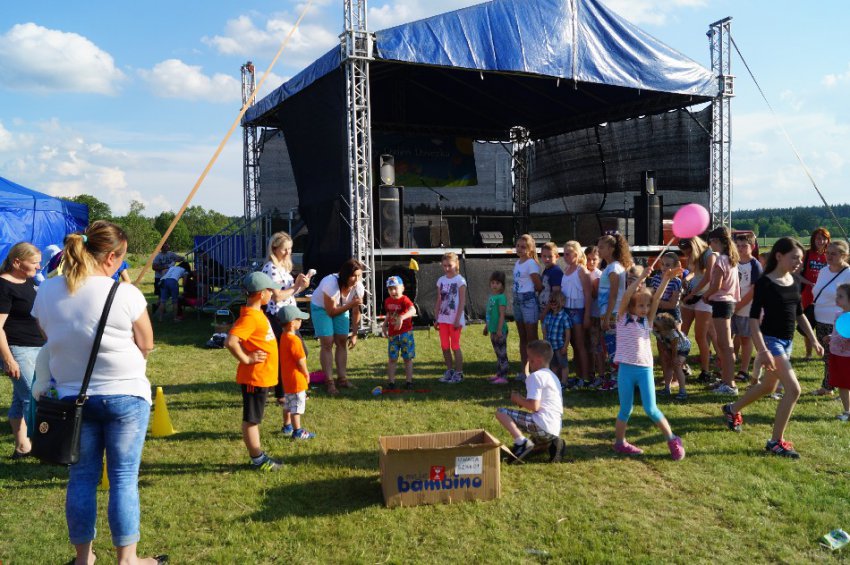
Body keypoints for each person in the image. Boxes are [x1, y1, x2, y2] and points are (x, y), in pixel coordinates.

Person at [32, 221, 162, 565]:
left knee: (81, 478)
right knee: (123, 479)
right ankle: (127, 559)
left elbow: (47, 335)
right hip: (126, 394)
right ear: (111, 258)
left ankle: (83, 558)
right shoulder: (125, 293)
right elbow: (147, 343)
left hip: (72, 397)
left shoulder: (47, 290)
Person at [721, 238, 823, 459]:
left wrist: (814, 339)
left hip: (787, 342)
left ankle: (732, 409)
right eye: (794, 258)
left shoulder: (794, 281)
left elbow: (799, 314)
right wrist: (763, 350)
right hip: (771, 341)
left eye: (801, 259)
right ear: (779, 256)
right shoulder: (765, 283)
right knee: (794, 390)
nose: (799, 262)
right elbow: (753, 319)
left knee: (768, 387)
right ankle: (776, 442)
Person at [611, 265, 685, 460]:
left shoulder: (647, 322)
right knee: (625, 409)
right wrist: (641, 277)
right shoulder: (622, 318)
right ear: (631, 307)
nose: (645, 309)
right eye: (641, 306)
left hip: (644, 370)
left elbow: (657, 299)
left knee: (651, 409)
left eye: (647, 306)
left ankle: (672, 439)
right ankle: (620, 443)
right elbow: (626, 295)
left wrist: (666, 279)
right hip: (626, 370)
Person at [225, 271, 285, 470]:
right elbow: (231, 342)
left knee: (255, 418)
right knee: (251, 420)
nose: (272, 293)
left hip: (262, 377)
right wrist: (247, 358)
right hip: (254, 378)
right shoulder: (250, 317)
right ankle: (258, 459)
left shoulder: (257, 313)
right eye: (270, 290)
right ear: (261, 294)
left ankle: (258, 456)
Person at [0, 242, 44, 459]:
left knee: (21, 398)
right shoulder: (3, 286)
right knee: (32, 397)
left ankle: (22, 446)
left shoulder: (29, 281)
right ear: (17, 262)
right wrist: (9, 359)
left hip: (37, 347)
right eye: (34, 262)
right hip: (18, 350)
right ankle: (43, 446)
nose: (39, 267)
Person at [262, 232, 312, 408]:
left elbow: (288, 293)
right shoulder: (271, 268)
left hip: (288, 315)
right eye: (285, 249)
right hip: (278, 317)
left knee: (298, 351)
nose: (288, 253)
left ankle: (288, 389)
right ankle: (283, 393)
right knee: (289, 353)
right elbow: (277, 296)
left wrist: (300, 286)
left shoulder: (282, 267)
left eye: (290, 249)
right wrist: (296, 286)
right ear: (274, 248)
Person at [495, 340, 565, 463]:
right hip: (555, 427)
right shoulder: (553, 376)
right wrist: (523, 401)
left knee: (501, 412)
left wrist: (518, 398)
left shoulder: (535, 376)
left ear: (538, 360)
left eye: (530, 358)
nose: (527, 360)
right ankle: (552, 442)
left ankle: (521, 442)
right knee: (535, 444)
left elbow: (534, 406)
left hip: (542, 424)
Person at [310, 259, 364, 394]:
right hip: (321, 308)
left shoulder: (358, 287)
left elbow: (356, 312)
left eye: (359, 275)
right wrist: (350, 305)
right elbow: (331, 312)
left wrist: (355, 334)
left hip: (342, 306)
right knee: (327, 343)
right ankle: (329, 382)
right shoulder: (330, 283)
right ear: (345, 274)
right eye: (354, 276)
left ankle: (342, 379)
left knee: (342, 340)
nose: (357, 279)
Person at [703, 227, 740, 395]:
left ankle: (730, 384)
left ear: (717, 241)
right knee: (725, 345)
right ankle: (725, 379)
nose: (710, 245)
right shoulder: (730, 259)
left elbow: (716, 285)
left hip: (722, 303)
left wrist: (706, 295)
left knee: (725, 346)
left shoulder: (720, 260)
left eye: (711, 241)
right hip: (727, 302)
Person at [811, 240, 850, 396]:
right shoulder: (823, 271)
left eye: (833, 254)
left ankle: (830, 387)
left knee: (837, 357)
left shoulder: (848, 274)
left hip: (839, 322)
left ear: (844, 255)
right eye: (827, 253)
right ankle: (830, 386)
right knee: (828, 357)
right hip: (820, 319)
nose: (829, 256)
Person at [597, 233, 633, 391]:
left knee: (613, 348)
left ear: (611, 249)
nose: (598, 250)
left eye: (602, 247)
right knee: (611, 346)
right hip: (608, 312)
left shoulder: (614, 269)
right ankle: (615, 378)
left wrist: (607, 318)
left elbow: (613, 295)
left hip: (612, 313)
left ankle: (617, 380)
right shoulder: (611, 267)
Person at [679, 236, 717, 384]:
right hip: (690, 296)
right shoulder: (693, 255)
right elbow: (693, 271)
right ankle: (681, 366)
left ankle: (705, 371)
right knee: (681, 333)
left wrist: (693, 293)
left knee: (700, 336)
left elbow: (708, 277)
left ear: (694, 247)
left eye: (688, 252)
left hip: (704, 297)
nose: (686, 255)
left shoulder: (709, 254)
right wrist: (686, 279)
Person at [276, 304, 315, 440]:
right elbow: (300, 360)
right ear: (292, 323)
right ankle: (297, 431)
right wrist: (306, 373)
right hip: (297, 380)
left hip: (287, 379)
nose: (301, 321)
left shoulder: (283, 336)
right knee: (296, 407)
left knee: (287, 404)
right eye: (299, 319)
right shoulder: (295, 340)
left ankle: (287, 426)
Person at [560, 241, 592, 386]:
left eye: (568, 254)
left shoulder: (582, 270)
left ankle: (584, 377)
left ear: (576, 254)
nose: (565, 256)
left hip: (578, 311)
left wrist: (587, 315)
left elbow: (588, 294)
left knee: (580, 344)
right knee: (573, 343)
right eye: (564, 254)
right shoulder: (566, 269)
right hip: (566, 310)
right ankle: (579, 375)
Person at [732, 233, 763, 383]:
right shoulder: (733, 262)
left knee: (746, 338)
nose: (740, 248)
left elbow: (754, 290)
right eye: (738, 246)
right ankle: (728, 367)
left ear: (753, 246)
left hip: (747, 308)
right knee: (731, 337)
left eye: (744, 246)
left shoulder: (754, 265)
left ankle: (744, 370)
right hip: (732, 305)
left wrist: (739, 305)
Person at [512, 234, 542, 375]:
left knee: (532, 338)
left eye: (523, 247)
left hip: (528, 301)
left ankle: (536, 370)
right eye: (518, 246)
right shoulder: (518, 262)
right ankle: (525, 370)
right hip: (517, 300)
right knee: (522, 337)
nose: (519, 249)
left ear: (530, 249)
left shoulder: (531, 264)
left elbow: (538, 285)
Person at [435, 252, 467, 384]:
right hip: (443, 319)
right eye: (444, 266)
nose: (447, 268)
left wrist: (457, 319)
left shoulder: (460, 281)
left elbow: (462, 302)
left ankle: (459, 373)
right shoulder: (440, 281)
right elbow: (439, 300)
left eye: (450, 265)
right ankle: (449, 371)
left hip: (455, 320)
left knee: (455, 345)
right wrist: (436, 318)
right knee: (444, 346)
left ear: (456, 264)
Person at [799, 228, 830, 359]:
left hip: (825, 296)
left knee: (824, 325)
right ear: (813, 240)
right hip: (807, 295)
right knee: (808, 325)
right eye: (818, 238)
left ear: (827, 240)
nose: (820, 241)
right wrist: (810, 283)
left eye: (823, 238)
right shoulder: (807, 255)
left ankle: (825, 352)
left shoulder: (830, 255)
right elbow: (797, 274)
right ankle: (809, 353)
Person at [382, 275, 416, 390]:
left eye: (395, 288)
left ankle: (409, 381)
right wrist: (384, 324)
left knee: (407, 358)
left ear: (402, 288)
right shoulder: (387, 301)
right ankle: (391, 382)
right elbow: (389, 314)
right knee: (392, 359)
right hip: (393, 335)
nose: (393, 291)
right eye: (390, 289)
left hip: (406, 334)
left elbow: (413, 310)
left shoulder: (405, 300)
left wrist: (402, 317)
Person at [653, 312, 691, 399]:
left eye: (656, 325)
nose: (654, 326)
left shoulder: (673, 334)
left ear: (665, 327)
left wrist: (674, 358)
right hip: (670, 347)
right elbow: (661, 341)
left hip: (682, 348)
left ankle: (683, 392)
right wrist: (665, 352)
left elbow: (675, 347)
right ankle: (667, 389)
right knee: (668, 366)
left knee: (677, 366)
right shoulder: (656, 330)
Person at [828, 283, 850, 421]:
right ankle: (847, 410)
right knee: (842, 385)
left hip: (846, 357)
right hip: (837, 354)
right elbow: (839, 333)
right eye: (837, 295)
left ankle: (848, 412)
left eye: (841, 296)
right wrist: (831, 337)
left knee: (844, 385)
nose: (837, 298)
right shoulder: (839, 315)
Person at [484, 271, 510, 384]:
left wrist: (499, 330)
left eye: (497, 283)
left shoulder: (501, 298)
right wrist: (487, 327)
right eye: (493, 283)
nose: (494, 285)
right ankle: (499, 374)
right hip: (493, 330)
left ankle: (504, 376)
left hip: (500, 331)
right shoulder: (491, 298)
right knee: (497, 353)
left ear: (502, 285)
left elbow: (501, 315)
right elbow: (489, 315)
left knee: (502, 353)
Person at [584, 245, 605, 385]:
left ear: (599, 260)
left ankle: (601, 374)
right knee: (589, 345)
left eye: (594, 259)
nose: (591, 262)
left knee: (597, 346)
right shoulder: (585, 272)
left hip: (596, 315)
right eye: (588, 259)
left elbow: (595, 294)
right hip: (588, 313)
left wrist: (588, 283)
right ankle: (591, 373)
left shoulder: (597, 274)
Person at [542, 292, 571, 387]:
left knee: (563, 365)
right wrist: (545, 341)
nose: (554, 306)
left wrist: (565, 346)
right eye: (552, 304)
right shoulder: (549, 316)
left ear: (561, 303)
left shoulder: (564, 317)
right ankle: (555, 381)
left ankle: (564, 382)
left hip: (560, 346)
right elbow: (544, 329)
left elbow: (568, 334)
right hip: (550, 346)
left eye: (556, 304)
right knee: (553, 365)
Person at [648, 252, 683, 325]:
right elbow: (650, 297)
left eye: (667, 265)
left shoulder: (676, 281)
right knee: (657, 332)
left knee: (674, 332)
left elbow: (672, 305)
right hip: (657, 311)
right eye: (662, 264)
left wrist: (656, 301)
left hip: (672, 314)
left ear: (674, 267)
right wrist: (655, 301)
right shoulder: (655, 278)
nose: (664, 267)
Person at [537, 241, 563, 319]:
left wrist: (544, 313)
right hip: (544, 309)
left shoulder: (556, 272)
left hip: (551, 312)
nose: (547, 259)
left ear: (557, 257)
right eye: (544, 256)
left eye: (550, 256)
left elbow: (555, 296)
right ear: (541, 256)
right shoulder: (546, 270)